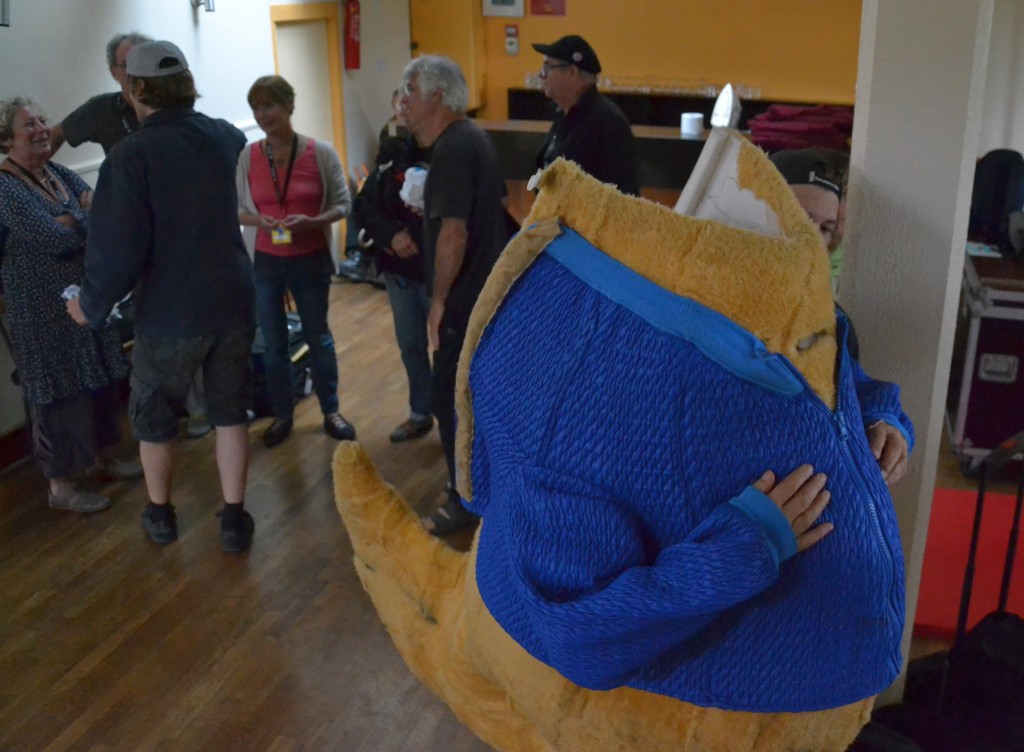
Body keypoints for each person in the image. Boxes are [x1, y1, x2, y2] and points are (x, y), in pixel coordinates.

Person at [67, 41, 257, 553]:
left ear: (136, 89)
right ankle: (234, 520)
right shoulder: (226, 135)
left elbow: (116, 248)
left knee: (155, 418)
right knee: (229, 412)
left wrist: (89, 305)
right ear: (187, 83)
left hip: (170, 311)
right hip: (233, 299)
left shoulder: (130, 155)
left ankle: (161, 514)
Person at [51, 31, 212, 440]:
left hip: (180, 235)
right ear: (115, 72)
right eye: (129, 64)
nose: (139, 69)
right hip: (139, 239)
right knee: (154, 328)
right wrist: (36, 180)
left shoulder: (174, 113)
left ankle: (198, 409)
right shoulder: (102, 111)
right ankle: (160, 416)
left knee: (193, 322)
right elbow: (52, 136)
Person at [0, 97, 139, 513]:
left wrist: (72, 220)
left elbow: (106, 213)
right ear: (6, 140)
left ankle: (100, 459)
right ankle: (60, 487)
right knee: (56, 395)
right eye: (29, 125)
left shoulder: (58, 173)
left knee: (95, 379)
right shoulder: (5, 187)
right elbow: (51, 239)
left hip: (82, 298)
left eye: (43, 120)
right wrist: (79, 218)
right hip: (38, 310)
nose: (42, 129)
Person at [399, 55, 508, 534]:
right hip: (483, 292)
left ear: (438, 95)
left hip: (465, 298)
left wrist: (439, 300)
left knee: (449, 397)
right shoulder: (470, 138)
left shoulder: (453, 149)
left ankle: (465, 499)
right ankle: (477, 488)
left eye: (410, 91)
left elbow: (454, 234)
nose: (403, 102)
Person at [770, 147, 908, 484]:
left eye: (825, 228)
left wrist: (884, 422)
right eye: (801, 217)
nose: (812, 239)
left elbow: (857, 389)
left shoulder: (833, 322)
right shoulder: (693, 303)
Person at [236, 75, 356, 449]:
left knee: (319, 337)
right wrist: (260, 221)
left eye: (269, 105)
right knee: (273, 345)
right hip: (266, 262)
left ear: (289, 105)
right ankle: (283, 414)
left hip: (310, 259)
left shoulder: (320, 153)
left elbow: (343, 204)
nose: (263, 115)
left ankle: (331, 411)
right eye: (256, 108)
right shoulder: (248, 156)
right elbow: (238, 209)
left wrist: (313, 221)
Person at [354, 97, 434, 444]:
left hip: (438, 271)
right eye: (401, 104)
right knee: (411, 345)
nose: (404, 111)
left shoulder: (451, 150)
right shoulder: (391, 150)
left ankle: (462, 424)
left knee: (452, 351)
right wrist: (391, 237)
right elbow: (364, 205)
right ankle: (420, 413)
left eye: (411, 102)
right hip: (399, 272)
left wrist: (413, 236)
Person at [532, 35, 639, 196]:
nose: (541, 75)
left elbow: (623, 195)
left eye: (547, 67)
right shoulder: (564, 112)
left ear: (572, 72)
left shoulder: (607, 122)